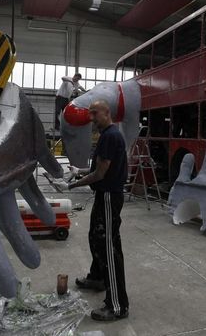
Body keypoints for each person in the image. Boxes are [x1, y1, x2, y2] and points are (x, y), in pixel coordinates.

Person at [62, 100, 129, 321]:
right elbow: (98, 168)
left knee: (109, 247)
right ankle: (98, 278)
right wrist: (78, 170)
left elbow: (100, 175)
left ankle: (117, 306)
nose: (91, 119)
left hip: (109, 196)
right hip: (104, 194)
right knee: (96, 237)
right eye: (89, 114)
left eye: (95, 114)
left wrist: (71, 185)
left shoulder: (110, 136)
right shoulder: (108, 135)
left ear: (106, 113)